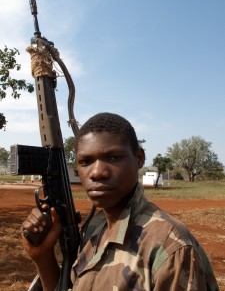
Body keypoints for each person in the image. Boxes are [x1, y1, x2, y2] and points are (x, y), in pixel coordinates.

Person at [21, 112, 219, 291]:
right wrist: (42, 255)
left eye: (114, 157)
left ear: (139, 158)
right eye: (86, 162)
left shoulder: (170, 247)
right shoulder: (94, 229)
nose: (97, 172)